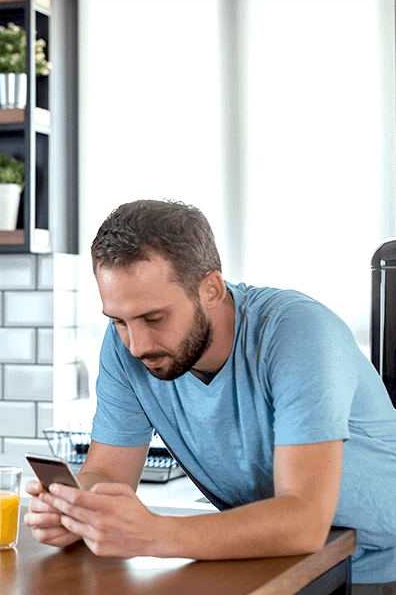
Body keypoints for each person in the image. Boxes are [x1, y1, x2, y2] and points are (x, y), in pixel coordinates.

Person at [24, 199, 396, 591]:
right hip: (262, 563)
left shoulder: (298, 334)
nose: (135, 345)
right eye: (118, 321)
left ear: (211, 290)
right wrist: (76, 508)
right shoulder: (126, 346)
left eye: (154, 318)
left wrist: (154, 534)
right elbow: (109, 473)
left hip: (372, 569)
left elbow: (304, 521)